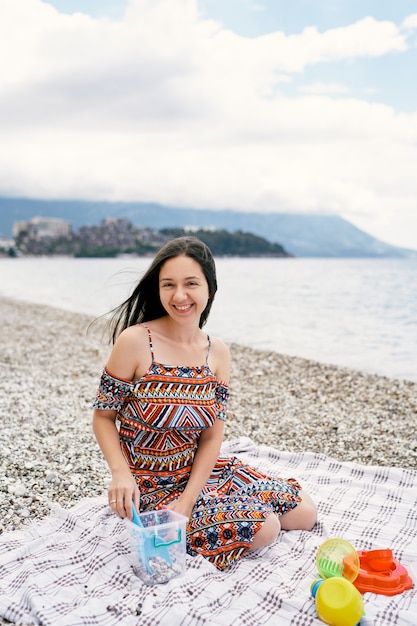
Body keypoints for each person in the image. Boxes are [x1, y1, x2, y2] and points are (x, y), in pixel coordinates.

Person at [92, 236, 317, 570]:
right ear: (158, 289)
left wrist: (190, 500)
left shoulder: (218, 352)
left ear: (209, 289)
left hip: (201, 472)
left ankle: (218, 506)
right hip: (150, 487)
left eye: (191, 284)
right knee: (266, 528)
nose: (179, 296)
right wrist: (120, 474)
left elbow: (212, 435)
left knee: (304, 513)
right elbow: (103, 417)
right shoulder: (136, 342)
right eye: (168, 285)